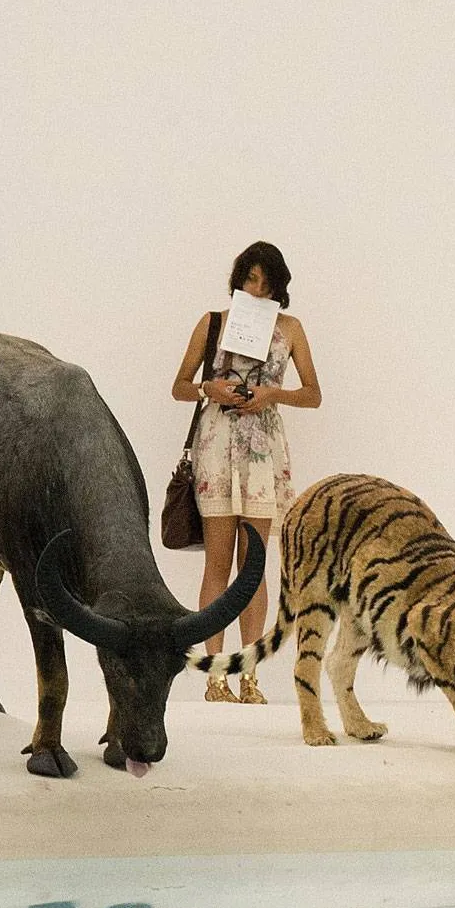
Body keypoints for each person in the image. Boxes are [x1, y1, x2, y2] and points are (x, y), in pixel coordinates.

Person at [171, 241, 320, 703]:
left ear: (279, 287)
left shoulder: (290, 328)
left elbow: (313, 394)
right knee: (217, 562)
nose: (257, 289)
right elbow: (179, 386)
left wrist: (272, 395)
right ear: (238, 279)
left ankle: (250, 675)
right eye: (251, 279)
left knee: (252, 564)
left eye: (266, 282)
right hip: (217, 447)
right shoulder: (213, 322)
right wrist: (208, 389)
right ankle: (216, 677)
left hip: (262, 451)